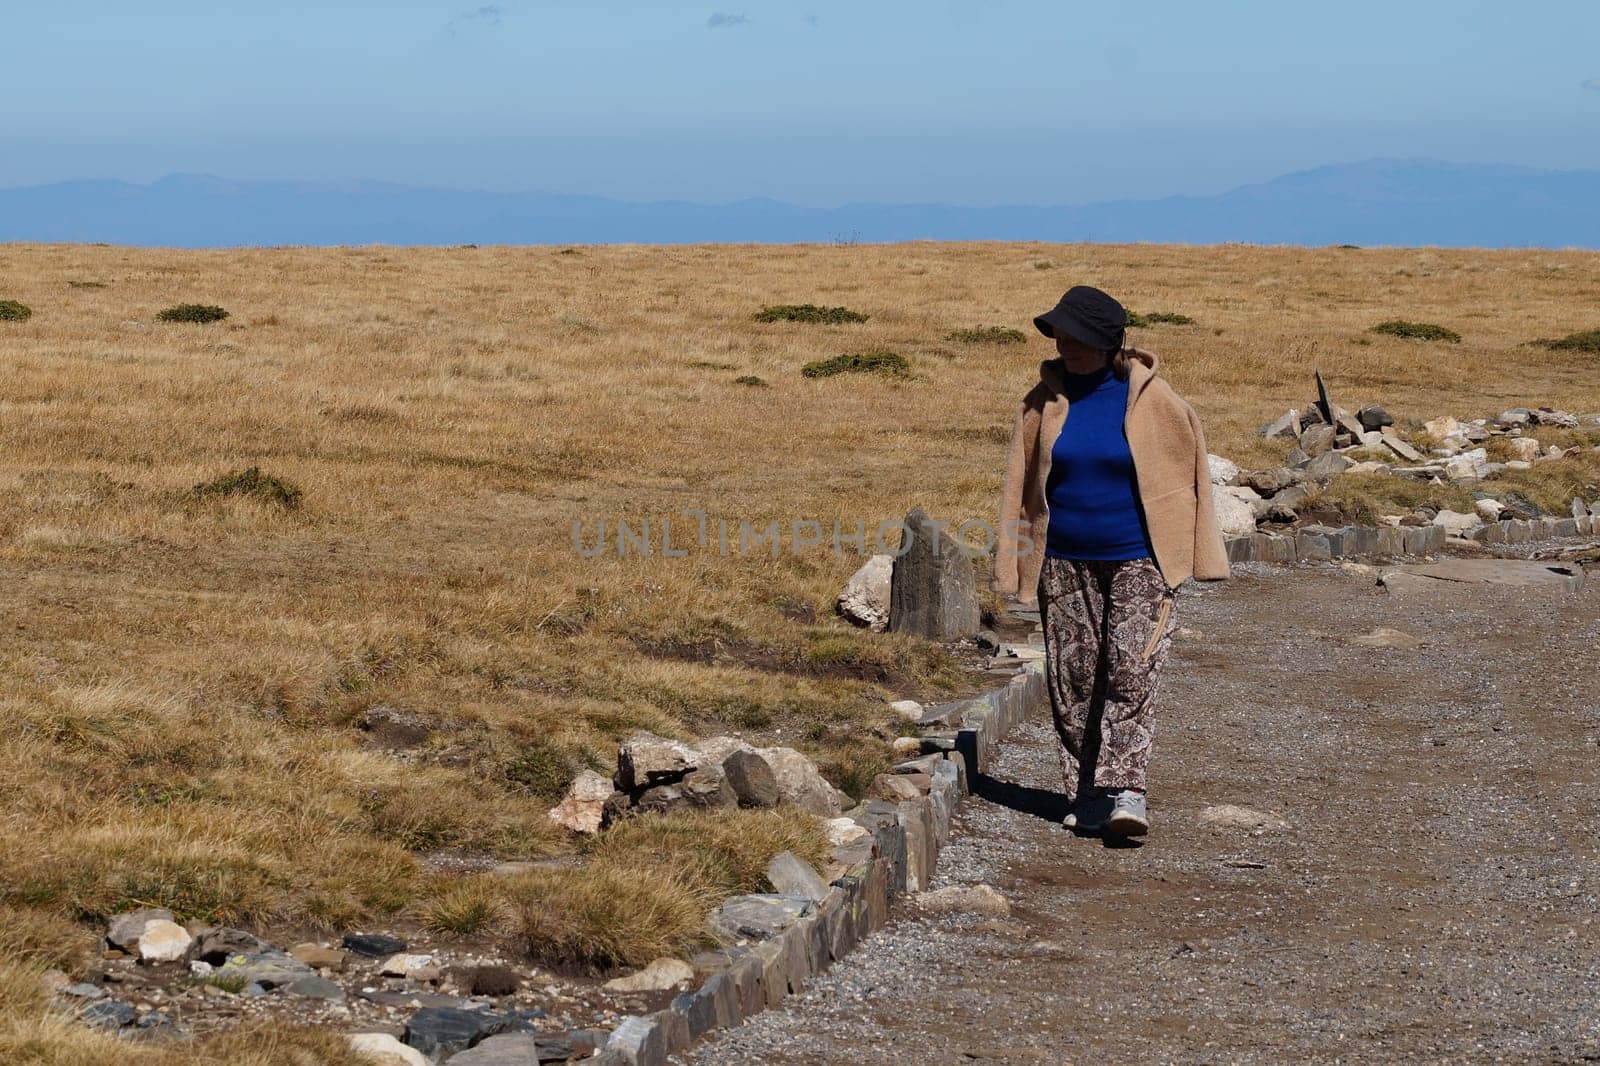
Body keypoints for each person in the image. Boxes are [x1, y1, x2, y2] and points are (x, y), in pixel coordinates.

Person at [993, 286, 1229, 837]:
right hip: (1063, 560)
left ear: (1109, 343)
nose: (1065, 345)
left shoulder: (1155, 400)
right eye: (1060, 335)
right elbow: (1017, 489)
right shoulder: (1040, 404)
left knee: (1131, 669)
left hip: (1140, 559)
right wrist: (1014, 560)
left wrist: (1197, 552)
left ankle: (1127, 791)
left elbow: (1189, 479)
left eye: (1078, 337)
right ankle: (1086, 788)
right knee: (1073, 680)